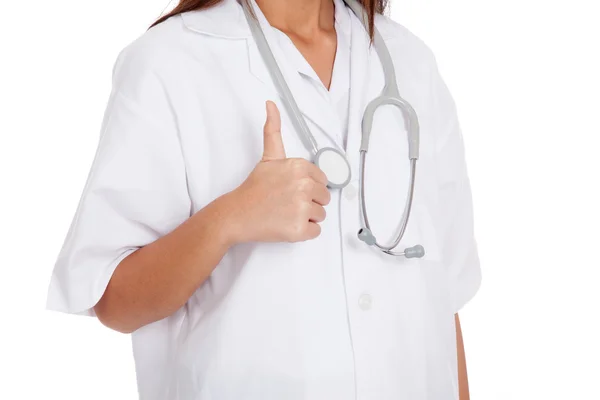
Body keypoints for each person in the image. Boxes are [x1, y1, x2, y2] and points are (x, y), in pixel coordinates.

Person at [46, 0, 482, 398]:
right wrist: (229, 219)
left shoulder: (409, 61)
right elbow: (114, 300)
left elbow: (444, 301)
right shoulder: (170, 61)